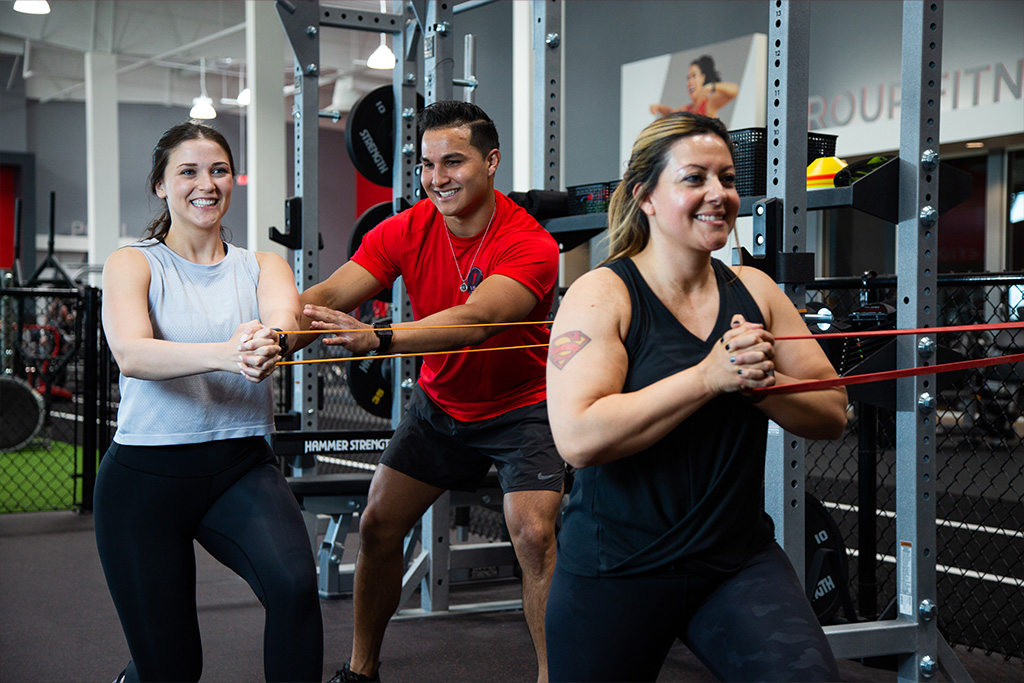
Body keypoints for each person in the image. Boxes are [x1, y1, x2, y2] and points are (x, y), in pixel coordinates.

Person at [544, 112, 847, 682]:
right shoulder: (601, 294)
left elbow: (832, 411)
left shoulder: (756, 290)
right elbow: (579, 437)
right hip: (618, 566)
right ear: (647, 197)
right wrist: (710, 377)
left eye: (728, 179)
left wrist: (762, 384)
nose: (719, 195)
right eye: (694, 178)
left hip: (734, 562)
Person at [296, 100, 563, 683]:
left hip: (523, 410)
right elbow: (335, 293)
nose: (437, 177)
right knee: (376, 525)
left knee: (536, 535)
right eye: (426, 164)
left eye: (454, 162)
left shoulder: (530, 243)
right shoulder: (408, 228)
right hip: (441, 409)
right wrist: (274, 328)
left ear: (491, 162)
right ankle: (361, 671)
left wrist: (379, 338)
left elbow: (477, 319)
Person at [93, 121, 323, 682]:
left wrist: (274, 341)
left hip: (240, 467)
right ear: (161, 185)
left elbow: (283, 319)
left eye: (219, 170)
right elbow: (132, 353)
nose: (207, 183)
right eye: (188, 171)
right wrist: (227, 354)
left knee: (295, 590)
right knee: (171, 668)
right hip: (144, 481)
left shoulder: (262, 265)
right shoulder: (133, 262)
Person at [650, 54, 738, 119]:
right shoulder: (687, 110)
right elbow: (670, 112)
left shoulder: (709, 104)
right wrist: (658, 107)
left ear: (703, 78)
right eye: (688, 78)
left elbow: (734, 90)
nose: (690, 81)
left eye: (694, 76)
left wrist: (712, 86)